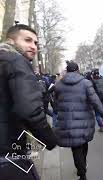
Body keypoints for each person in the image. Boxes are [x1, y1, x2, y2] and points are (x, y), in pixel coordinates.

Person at [0, 24, 57, 179]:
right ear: (11, 41)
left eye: (35, 43)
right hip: (9, 153)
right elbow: (29, 110)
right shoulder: (16, 60)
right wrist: (50, 139)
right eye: (27, 40)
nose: (33, 46)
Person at [54, 62, 103, 180]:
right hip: (84, 121)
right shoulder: (86, 83)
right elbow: (95, 101)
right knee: (83, 143)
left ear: (67, 71)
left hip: (67, 122)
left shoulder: (59, 85)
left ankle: (81, 170)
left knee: (75, 147)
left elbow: (56, 105)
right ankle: (82, 170)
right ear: (78, 70)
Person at [91, 68, 103, 134]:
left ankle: (101, 127)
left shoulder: (92, 81)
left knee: (97, 114)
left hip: (97, 100)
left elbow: (91, 92)